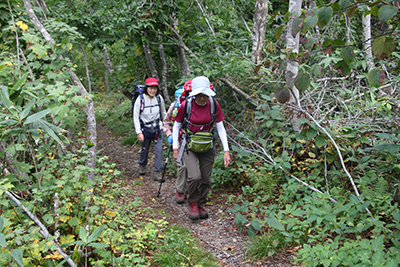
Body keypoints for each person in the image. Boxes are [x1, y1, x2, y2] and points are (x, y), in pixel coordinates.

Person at [172, 76, 231, 220]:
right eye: (199, 95)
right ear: (194, 94)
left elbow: (220, 127)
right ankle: (192, 203)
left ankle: (201, 204)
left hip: (207, 146)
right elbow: (177, 125)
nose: (202, 98)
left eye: (205, 95)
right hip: (189, 146)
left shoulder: (213, 104)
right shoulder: (186, 105)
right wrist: (175, 148)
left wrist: (226, 150)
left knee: (206, 179)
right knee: (194, 176)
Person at [133, 77, 167, 181]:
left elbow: (163, 113)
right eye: (150, 88)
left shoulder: (159, 98)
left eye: (155, 88)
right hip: (145, 129)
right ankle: (142, 164)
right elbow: (135, 116)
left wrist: (166, 126)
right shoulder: (141, 99)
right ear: (146, 88)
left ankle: (158, 172)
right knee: (145, 150)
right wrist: (139, 132)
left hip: (157, 128)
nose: (153, 90)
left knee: (158, 151)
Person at [163, 86, 188, 204]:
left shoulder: (193, 105)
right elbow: (166, 122)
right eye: (179, 97)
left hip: (192, 139)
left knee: (192, 166)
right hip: (178, 141)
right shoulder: (174, 106)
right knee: (182, 166)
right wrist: (169, 134)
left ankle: (189, 189)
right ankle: (180, 190)